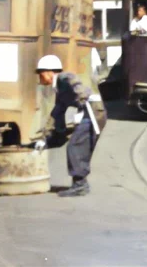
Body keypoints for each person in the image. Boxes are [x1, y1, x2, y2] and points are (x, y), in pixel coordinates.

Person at [36, 55, 97, 197]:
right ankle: (80, 183)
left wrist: (81, 96)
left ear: (49, 72)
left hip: (91, 112)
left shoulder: (63, 78)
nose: (39, 77)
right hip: (87, 112)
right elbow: (57, 111)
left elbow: (73, 80)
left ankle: (80, 185)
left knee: (75, 146)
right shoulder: (59, 88)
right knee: (71, 143)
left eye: (40, 73)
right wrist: (45, 137)